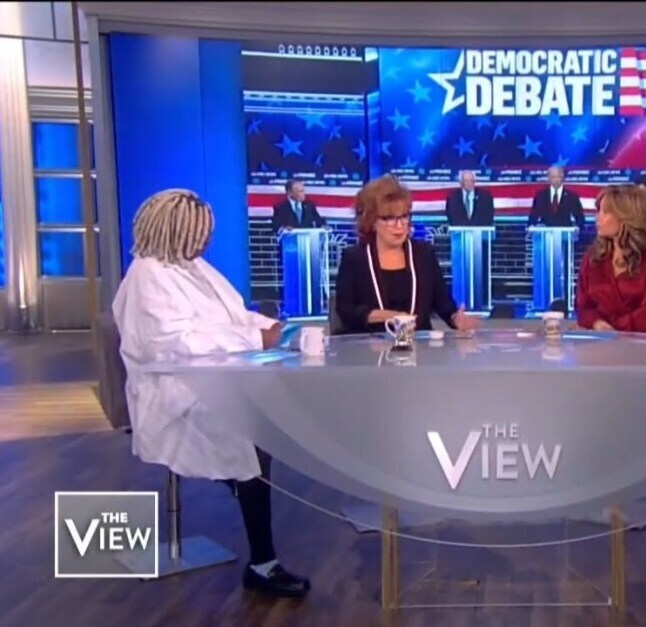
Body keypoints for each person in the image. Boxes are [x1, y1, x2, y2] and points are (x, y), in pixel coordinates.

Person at [112, 189, 310, 597]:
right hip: (173, 392)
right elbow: (174, 342)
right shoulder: (147, 276)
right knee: (252, 441)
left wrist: (273, 329)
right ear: (177, 231)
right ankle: (263, 561)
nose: (206, 242)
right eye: (199, 234)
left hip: (215, 379)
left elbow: (234, 316)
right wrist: (255, 338)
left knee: (265, 427)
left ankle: (247, 498)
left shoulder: (194, 267)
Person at [335, 175, 482, 334]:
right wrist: (386, 316)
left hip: (419, 345)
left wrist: (456, 318)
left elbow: (444, 305)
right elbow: (345, 311)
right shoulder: (355, 258)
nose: (399, 226)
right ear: (372, 222)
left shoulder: (424, 254)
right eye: (390, 218)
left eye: (404, 217)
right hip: (369, 344)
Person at [574, 184, 646, 333]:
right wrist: (596, 323)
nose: (597, 217)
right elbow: (582, 306)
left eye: (605, 212)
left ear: (626, 217)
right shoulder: (593, 256)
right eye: (598, 211)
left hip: (638, 342)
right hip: (597, 341)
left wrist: (614, 330)